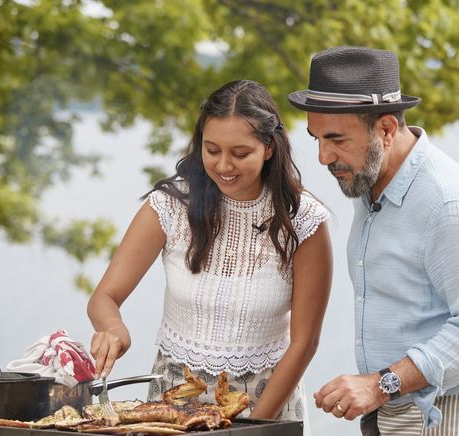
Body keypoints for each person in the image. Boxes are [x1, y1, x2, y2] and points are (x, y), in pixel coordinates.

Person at [288, 46, 459, 435]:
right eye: (316, 138)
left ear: (386, 129)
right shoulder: (370, 181)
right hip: (398, 420)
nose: (322, 156)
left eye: (336, 139)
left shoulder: (448, 202)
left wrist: (380, 384)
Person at [87, 79, 332, 428]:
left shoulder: (304, 221)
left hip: (264, 405)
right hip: (172, 402)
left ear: (269, 148)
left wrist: (249, 428)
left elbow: (305, 343)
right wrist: (113, 329)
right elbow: (104, 297)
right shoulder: (170, 206)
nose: (224, 166)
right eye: (212, 149)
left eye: (240, 153)